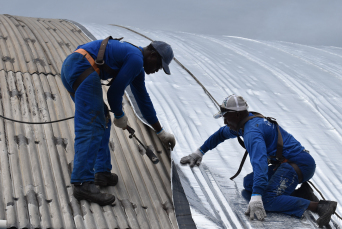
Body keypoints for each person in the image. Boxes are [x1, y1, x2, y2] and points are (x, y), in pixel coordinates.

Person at [180, 94, 337, 227]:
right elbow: (220, 134)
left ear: (236, 114)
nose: (224, 122)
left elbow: (260, 163)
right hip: (287, 164)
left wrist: (256, 197)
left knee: (266, 200)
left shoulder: (252, 132)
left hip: (299, 165)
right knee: (249, 183)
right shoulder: (244, 123)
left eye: (226, 117)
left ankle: (319, 206)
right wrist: (199, 153)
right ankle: (302, 193)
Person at [61, 37, 176, 206]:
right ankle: (81, 183)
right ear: (152, 54)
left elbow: (143, 100)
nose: (158, 69)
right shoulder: (136, 59)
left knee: (103, 119)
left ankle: (102, 172)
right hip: (82, 68)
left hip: (75, 66)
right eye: (159, 65)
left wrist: (160, 132)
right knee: (91, 125)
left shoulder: (136, 62)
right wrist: (120, 114)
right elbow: (114, 93)